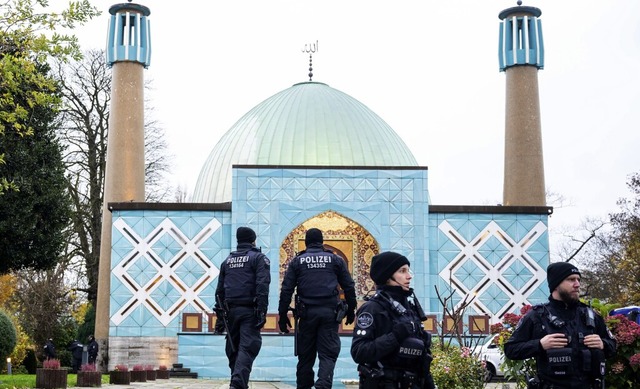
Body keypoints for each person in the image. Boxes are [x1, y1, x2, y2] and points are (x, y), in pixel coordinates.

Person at [504, 262, 617, 389]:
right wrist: (540, 345)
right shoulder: (537, 316)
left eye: (578, 279)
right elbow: (511, 349)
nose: (577, 284)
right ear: (556, 284)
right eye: (571, 279)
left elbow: (613, 345)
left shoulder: (590, 315)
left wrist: (603, 344)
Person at [278, 228, 357, 389]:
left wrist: (282, 314)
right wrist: (351, 309)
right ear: (321, 242)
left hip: (306, 314)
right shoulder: (335, 260)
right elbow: (348, 286)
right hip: (329, 313)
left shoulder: (297, 261)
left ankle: (304, 386)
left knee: (305, 356)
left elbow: (287, 289)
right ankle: (323, 384)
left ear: (306, 242)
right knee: (328, 354)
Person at [351, 251, 436, 389]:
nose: (409, 276)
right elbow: (359, 352)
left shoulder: (409, 308)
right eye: (402, 271)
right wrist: (395, 337)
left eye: (408, 271)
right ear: (387, 276)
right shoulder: (372, 309)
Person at [214, 226, 271, 389]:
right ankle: (238, 384)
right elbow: (262, 285)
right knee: (247, 347)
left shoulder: (227, 261)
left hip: (230, 311)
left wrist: (220, 317)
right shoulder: (259, 258)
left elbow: (219, 291)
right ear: (253, 240)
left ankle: (238, 381)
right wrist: (262, 310)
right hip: (249, 311)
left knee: (233, 348)